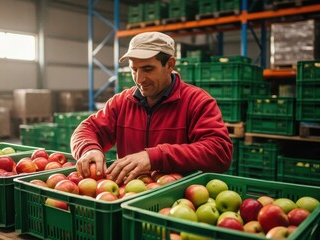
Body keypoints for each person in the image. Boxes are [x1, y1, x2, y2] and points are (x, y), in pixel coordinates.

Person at [71, 31, 233, 185]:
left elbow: (219, 152)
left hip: (180, 201)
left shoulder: (197, 101)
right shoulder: (122, 102)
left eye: (148, 69)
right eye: (134, 69)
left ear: (169, 65)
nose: (139, 79)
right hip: (129, 196)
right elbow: (87, 129)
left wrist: (154, 157)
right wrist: (88, 149)